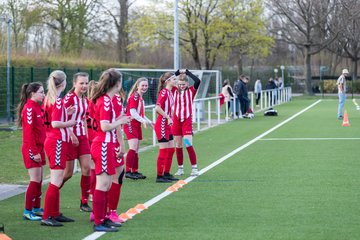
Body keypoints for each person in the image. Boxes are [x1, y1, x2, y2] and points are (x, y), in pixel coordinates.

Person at [90, 69, 131, 232]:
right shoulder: (106, 101)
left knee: (106, 185)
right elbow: (104, 126)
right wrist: (121, 120)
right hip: (103, 146)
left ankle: (104, 218)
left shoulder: (108, 99)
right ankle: (99, 221)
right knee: (103, 183)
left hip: (107, 145)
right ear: (117, 83)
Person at [42, 70, 77, 227]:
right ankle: (47, 216)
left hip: (55, 141)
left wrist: (65, 112)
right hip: (56, 142)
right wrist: (70, 122)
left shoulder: (52, 99)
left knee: (57, 178)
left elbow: (54, 118)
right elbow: (55, 124)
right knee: (56, 180)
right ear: (63, 83)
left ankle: (54, 213)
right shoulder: (56, 100)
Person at [62, 72, 92, 213]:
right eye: (81, 83)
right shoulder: (69, 98)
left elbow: (84, 119)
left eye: (86, 83)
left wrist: (85, 135)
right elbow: (60, 119)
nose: (84, 85)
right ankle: (52, 191)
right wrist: (71, 134)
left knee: (86, 168)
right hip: (69, 138)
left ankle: (84, 202)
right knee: (68, 173)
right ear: (74, 84)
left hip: (82, 138)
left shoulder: (85, 100)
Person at [17, 82, 46, 221]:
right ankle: (27, 211)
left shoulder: (38, 107)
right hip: (31, 148)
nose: (44, 94)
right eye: (41, 92)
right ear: (33, 93)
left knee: (39, 180)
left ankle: (36, 207)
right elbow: (28, 134)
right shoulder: (29, 108)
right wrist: (34, 151)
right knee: (34, 180)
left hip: (40, 147)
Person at [172, 69, 201, 176]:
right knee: (178, 145)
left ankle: (194, 168)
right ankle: (180, 168)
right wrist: (177, 72)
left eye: (183, 84)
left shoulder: (191, 90)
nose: (182, 86)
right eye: (180, 84)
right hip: (176, 120)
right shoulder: (174, 90)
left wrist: (187, 73)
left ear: (187, 84)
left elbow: (198, 81)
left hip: (187, 120)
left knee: (188, 143)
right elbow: (166, 79)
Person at [105, 87, 127, 224]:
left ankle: (100, 212)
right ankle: (111, 212)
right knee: (117, 177)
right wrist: (122, 143)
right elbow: (117, 123)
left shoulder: (102, 97)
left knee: (104, 177)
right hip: (110, 142)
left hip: (101, 141)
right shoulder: (114, 98)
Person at [124, 77, 153, 180]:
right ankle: (127, 171)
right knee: (133, 147)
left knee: (136, 148)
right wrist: (143, 121)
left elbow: (140, 113)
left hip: (136, 125)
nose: (144, 87)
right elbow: (132, 112)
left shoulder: (140, 98)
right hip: (130, 124)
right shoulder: (135, 96)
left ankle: (134, 171)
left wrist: (149, 121)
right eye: (142, 85)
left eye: (146, 85)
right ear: (137, 86)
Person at [154, 72, 179, 183]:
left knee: (171, 149)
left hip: (167, 125)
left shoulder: (170, 92)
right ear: (167, 81)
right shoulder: (164, 92)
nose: (176, 80)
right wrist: (168, 117)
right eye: (174, 79)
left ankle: (166, 173)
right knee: (163, 151)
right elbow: (157, 108)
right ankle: (159, 176)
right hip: (162, 124)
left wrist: (172, 117)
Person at [86, 80, 98, 202]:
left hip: (90, 137)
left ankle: (91, 192)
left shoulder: (88, 103)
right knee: (93, 167)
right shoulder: (93, 104)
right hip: (93, 137)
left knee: (92, 167)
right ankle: (91, 192)